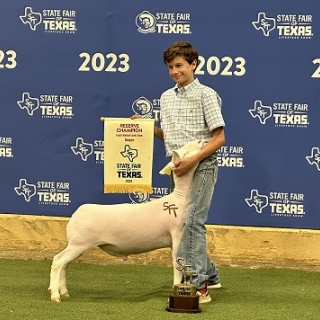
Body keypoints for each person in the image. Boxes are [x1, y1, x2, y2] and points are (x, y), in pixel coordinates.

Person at [133, 41, 225, 303]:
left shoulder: (206, 94)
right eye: (170, 67)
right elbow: (171, 139)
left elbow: (219, 138)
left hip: (202, 165)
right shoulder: (165, 97)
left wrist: (192, 159)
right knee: (188, 220)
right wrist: (149, 127)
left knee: (192, 219)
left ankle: (197, 285)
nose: (175, 71)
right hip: (178, 168)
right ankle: (211, 275)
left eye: (180, 65)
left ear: (193, 64)